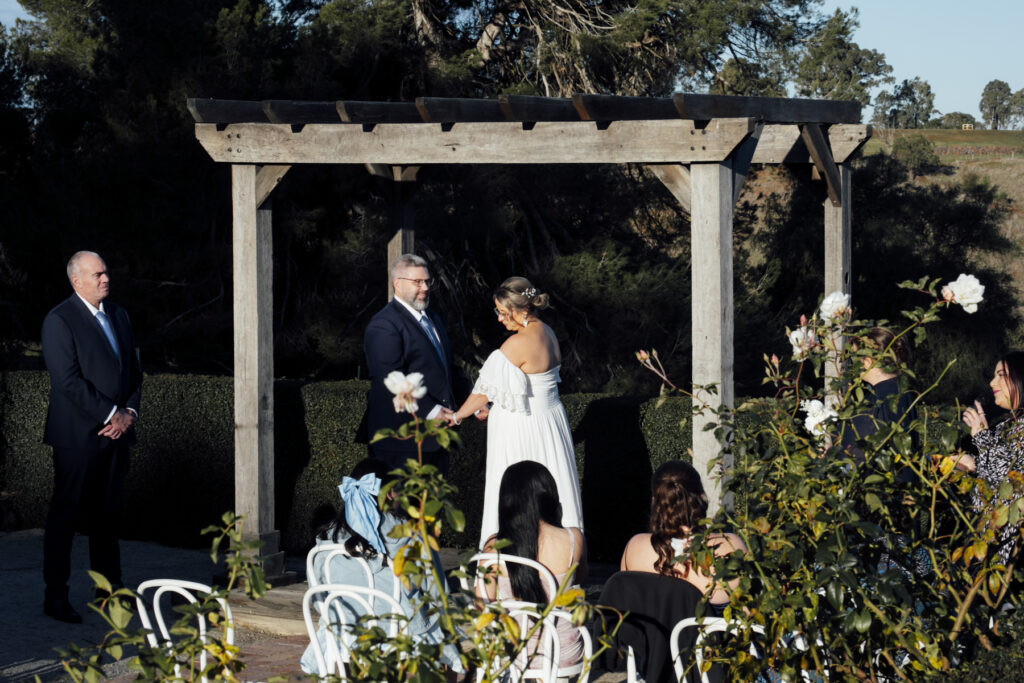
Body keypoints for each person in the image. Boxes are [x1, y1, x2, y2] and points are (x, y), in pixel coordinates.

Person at [40, 251, 142, 623]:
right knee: (65, 517)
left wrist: (128, 414)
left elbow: (133, 370)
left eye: (106, 272)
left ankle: (109, 592)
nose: (105, 278)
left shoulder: (119, 315)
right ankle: (55, 596)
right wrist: (109, 413)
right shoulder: (59, 320)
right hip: (77, 437)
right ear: (76, 281)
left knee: (107, 518)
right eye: (97, 274)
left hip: (116, 435)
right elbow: (66, 381)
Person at [448, 277, 583, 546]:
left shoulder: (515, 345)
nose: (499, 319)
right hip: (550, 424)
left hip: (522, 431)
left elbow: (482, 392)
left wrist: (456, 415)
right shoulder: (548, 332)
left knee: (516, 493)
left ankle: (510, 563)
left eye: (502, 312)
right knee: (553, 488)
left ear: (520, 310)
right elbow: (525, 388)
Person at [300, 458, 463, 674]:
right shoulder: (411, 535)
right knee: (444, 628)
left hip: (346, 630)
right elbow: (437, 591)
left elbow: (319, 598)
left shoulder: (327, 541)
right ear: (388, 493)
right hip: (401, 630)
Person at [364, 254, 470, 474]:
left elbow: (447, 369)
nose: (425, 287)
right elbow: (389, 378)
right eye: (417, 282)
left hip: (438, 438)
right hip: (402, 441)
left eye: (427, 281)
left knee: (432, 506)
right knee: (404, 508)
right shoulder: (384, 324)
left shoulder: (433, 319)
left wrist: (474, 402)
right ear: (397, 284)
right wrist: (432, 411)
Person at [479, 461, 585, 670]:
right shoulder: (573, 538)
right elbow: (579, 578)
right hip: (563, 651)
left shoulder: (493, 547)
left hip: (512, 653)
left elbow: (482, 603)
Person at [619, 460, 744, 611]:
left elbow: (623, 607)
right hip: (708, 635)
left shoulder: (634, 547)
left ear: (655, 502)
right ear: (702, 497)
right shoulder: (730, 545)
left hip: (651, 635)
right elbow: (749, 614)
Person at [960, 351, 1024, 563]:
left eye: (1001, 374)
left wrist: (981, 436)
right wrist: (973, 463)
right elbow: (998, 470)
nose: (992, 382)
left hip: (1003, 546)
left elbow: (1009, 483)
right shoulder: (1009, 424)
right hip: (984, 536)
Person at [841, 327, 919, 470]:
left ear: (868, 361)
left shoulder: (876, 402)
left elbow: (855, 454)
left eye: (855, 356)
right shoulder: (905, 392)